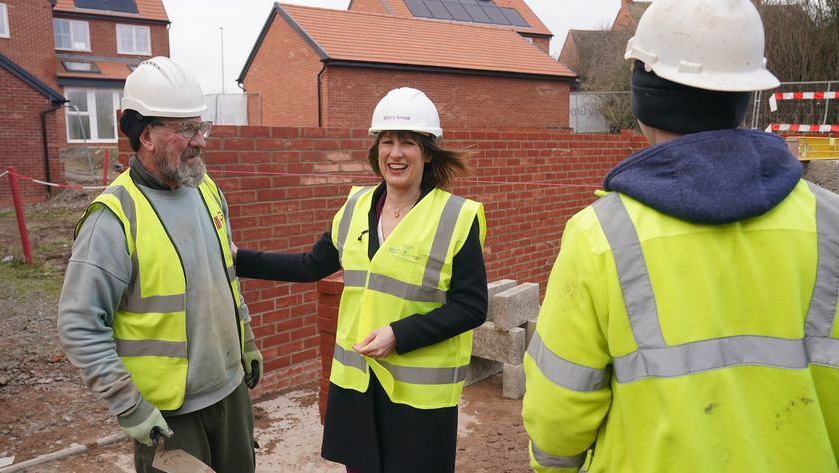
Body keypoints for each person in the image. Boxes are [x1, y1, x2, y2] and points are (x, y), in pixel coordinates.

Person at [522, 0, 839, 471]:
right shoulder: (829, 223)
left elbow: (558, 417)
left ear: (642, 95)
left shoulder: (601, 236)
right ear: (745, 92)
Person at [234, 87, 487, 473]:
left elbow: (471, 307)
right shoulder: (356, 206)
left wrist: (399, 334)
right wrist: (236, 260)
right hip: (358, 385)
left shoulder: (456, 217)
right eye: (387, 142)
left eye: (408, 142)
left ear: (428, 151)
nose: (396, 153)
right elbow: (309, 266)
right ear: (376, 149)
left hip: (419, 398)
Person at [57, 56, 262, 473]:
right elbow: (79, 323)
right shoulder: (114, 218)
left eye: (201, 127)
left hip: (230, 390)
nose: (200, 140)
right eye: (185, 129)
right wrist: (128, 404)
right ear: (147, 134)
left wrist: (247, 340)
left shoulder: (205, 189)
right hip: (170, 415)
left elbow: (226, 279)